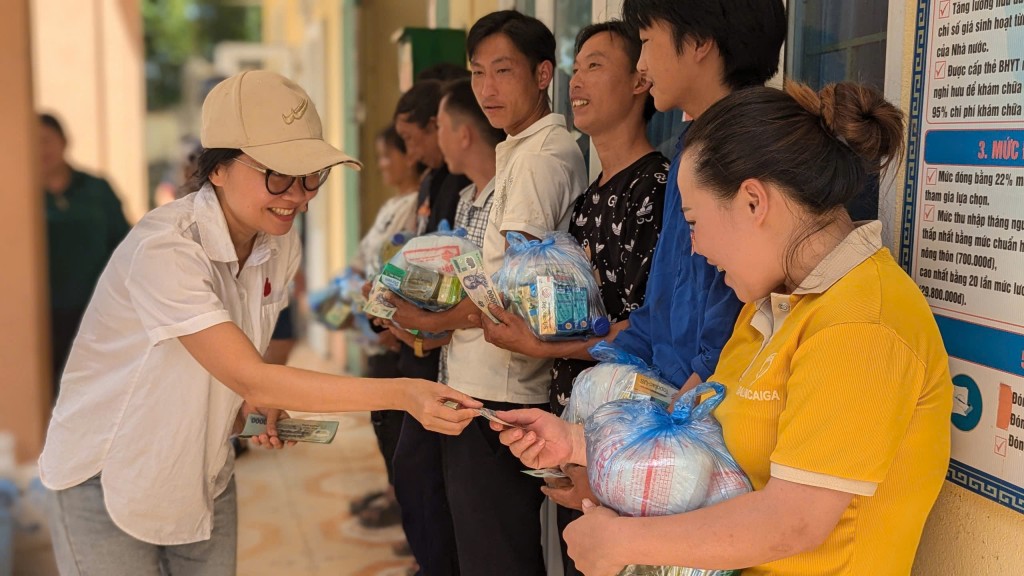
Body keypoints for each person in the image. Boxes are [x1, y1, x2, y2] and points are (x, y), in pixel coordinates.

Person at [494, 81, 953, 576]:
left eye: (693, 221)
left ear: (753, 202)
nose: (694, 248)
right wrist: (579, 442)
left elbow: (792, 520)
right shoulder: (772, 311)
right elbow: (697, 438)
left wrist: (624, 541)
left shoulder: (863, 323)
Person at [38, 70, 481, 576]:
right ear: (217, 169)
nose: (296, 194)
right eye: (276, 173)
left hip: (200, 474)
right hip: (107, 478)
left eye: (311, 174)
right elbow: (253, 373)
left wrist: (248, 406)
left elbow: (241, 370)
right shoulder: (167, 250)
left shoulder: (278, 240)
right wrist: (405, 393)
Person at [389, 10, 588, 575]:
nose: (487, 89)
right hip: (485, 380)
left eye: (504, 71)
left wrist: (433, 322)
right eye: (479, 73)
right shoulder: (523, 150)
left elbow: (516, 289)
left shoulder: (537, 160)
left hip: (500, 391)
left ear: (544, 73)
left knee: (493, 553)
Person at [477, 20, 668, 576]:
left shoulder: (658, 189)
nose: (575, 80)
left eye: (595, 65)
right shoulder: (587, 201)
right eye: (575, 65)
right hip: (573, 436)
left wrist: (543, 349)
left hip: (625, 442)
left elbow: (646, 338)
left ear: (640, 80)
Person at [384, 77, 506, 576]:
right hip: (450, 360)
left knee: (485, 524)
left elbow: (494, 299)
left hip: (486, 374)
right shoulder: (460, 194)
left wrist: (427, 319)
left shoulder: (506, 186)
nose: (410, 152)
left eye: (414, 138)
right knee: (431, 485)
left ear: (452, 130)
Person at [346, 125, 424, 530]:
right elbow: (362, 264)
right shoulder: (390, 206)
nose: (381, 165)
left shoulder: (416, 206)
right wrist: (339, 310)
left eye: (386, 155)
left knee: (398, 436)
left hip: (395, 336)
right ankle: (395, 497)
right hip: (374, 330)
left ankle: (400, 503)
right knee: (385, 429)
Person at [39, 113, 131, 398]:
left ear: (64, 141)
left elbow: (125, 244)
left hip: (96, 311)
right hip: (42, 315)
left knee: (95, 391)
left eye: (45, 140)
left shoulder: (96, 188)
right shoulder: (17, 193)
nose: (40, 149)